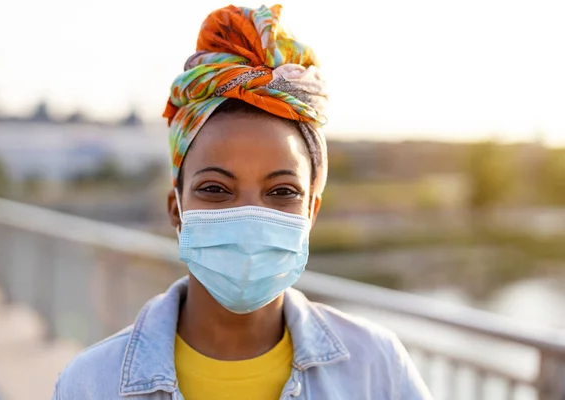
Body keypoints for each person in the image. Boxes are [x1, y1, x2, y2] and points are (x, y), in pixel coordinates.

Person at [52, 4, 432, 400]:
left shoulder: (376, 369)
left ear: (311, 213)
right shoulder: (91, 385)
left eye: (282, 192)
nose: (251, 216)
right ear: (175, 211)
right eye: (216, 189)